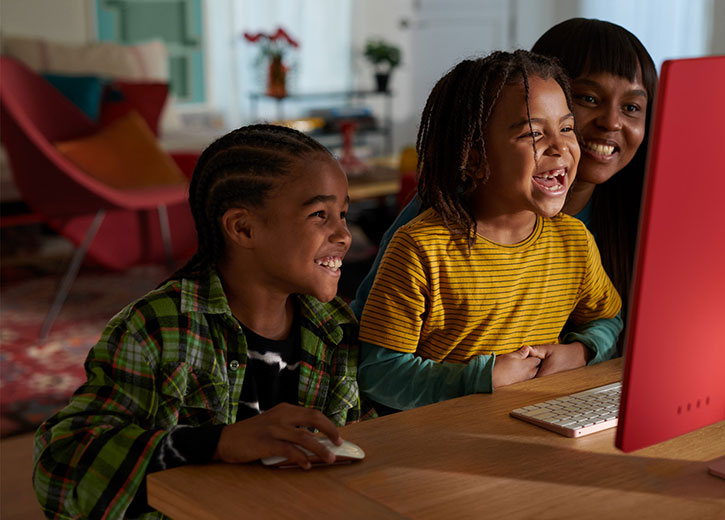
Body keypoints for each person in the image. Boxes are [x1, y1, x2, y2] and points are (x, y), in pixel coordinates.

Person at [33, 125, 368, 518]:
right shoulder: (155, 328)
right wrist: (218, 442)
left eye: (343, 214)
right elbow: (61, 465)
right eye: (319, 215)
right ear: (243, 228)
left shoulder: (337, 329)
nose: (344, 234)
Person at [352, 18, 657, 352]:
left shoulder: (614, 220)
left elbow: (609, 321)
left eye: (631, 107)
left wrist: (582, 349)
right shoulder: (441, 219)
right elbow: (373, 342)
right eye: (587, 98)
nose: (612, 122)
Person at [358, 50, 623, 411]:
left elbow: (607, 318)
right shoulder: (420, 249)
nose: (560, 147)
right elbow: (378, 372)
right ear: (472, 157)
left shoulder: (574, 241)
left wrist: (581, 351)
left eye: (566, 128)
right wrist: (478, 379)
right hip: (434, 446)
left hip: (536, 429)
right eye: (533, 133)